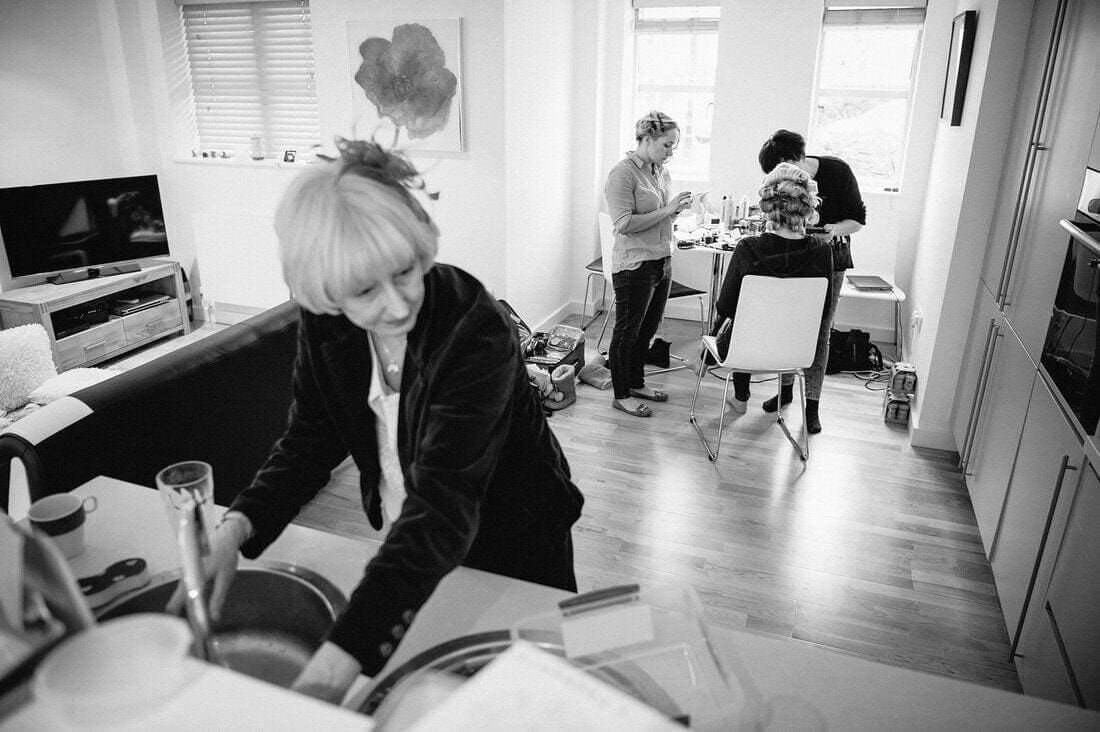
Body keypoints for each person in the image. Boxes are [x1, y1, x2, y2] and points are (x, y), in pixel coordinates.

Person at [184, 138, 584, 703]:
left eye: (405, 272)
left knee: (534, 695)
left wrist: (327, 677)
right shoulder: (328, 322)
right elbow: (310, 439)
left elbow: (441, 510)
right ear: (327, 292)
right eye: (365, 291)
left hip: (514, 540)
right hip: (413, 552)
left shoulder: (472, 328)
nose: (395, 305)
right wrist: (237, 527)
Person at [756, 129, 866, 433]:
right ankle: (786, 390)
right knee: (788, 326)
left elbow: (857, 219)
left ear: (798, 159)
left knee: (819, 333)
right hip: (794, 257)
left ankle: (812, 403)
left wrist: (832, 229)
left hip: (831, 260)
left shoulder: (838, 172)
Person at [714, 163, 833, 418]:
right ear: (807, 206)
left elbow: (725, 307)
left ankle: (740, 396)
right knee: (750, 322)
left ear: (768, 205)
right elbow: (822, 314)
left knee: (739, 322)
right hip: (795, 352)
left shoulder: (748, 247)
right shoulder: (823, 251)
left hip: (744, 350)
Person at [603, 111, 692, 418]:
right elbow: (624, 223)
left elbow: (661, 216)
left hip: (661, 260)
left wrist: (675, 210)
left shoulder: (660, 172)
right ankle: (621, 394)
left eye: (674, 146)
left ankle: (637, 382)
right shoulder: (623, 174)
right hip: (634, 264)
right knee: (627, 331)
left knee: (648, 329)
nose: (671, 152)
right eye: (667, 145)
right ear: (648, 138)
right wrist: (667, 210)